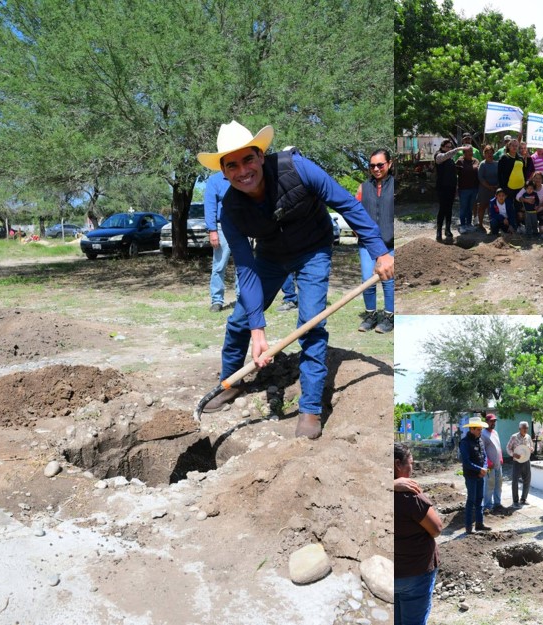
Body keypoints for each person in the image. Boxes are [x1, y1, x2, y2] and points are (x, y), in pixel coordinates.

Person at [195, 121, 394, 438]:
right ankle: (230, 381)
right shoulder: (231, 209)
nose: (242, 170)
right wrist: (257, 327)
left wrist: (381, 251)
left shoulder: (297, 168)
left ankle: (310, 409)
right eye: (232, 165)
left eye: (248, 159)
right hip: (270, 257)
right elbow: (245, 267)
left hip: (314, 250)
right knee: (239, 320)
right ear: (223, 171)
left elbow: (346, 204)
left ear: (260, 156)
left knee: (312, 323)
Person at [394, 443, 443, 625]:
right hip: (416, 572)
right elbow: (437, 529)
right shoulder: (409, 497)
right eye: (411, 463)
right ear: (398, 464)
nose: (412, 468)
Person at [355, 149, 394, 334]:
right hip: (367, 244)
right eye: (372, 166)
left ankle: (389, 317)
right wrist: (357, 231)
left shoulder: (395, 185)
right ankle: (370, 316)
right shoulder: (363, 187)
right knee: (367, 280)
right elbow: (354, 212)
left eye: (380, 165)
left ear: (389, 164)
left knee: (388, 280)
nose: (376, 169)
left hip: (389, 243)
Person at [204, 171, 239, 313]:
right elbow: (210, 206)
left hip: (242, 226)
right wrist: (212, 230)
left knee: (243, 265)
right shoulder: (215, 180)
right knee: (219, 266)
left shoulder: (239, 176)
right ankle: (217, 300)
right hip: (222, 227)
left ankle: (242, 298)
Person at [459, 416, 490, 534]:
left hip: (480, 475)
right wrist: (480, 469)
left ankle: (479, 523)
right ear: (471, 429)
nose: (480, 431)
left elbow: (485, 456)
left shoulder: (480, 440)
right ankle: (468, 527)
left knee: (479, 500)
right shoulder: (465, 443)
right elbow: (466, 462)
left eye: (481, 429)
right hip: (471, 476)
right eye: (478, 429)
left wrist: (485, 468)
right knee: (471, 501)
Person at [434, 139, 458, 243]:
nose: (449, 149)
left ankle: (447, 229)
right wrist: (457, 149)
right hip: (442, 187)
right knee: (442, 209)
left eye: (450, 147)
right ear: (442, 147)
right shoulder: (438, 155)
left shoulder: (451, 159)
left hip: (451, 187)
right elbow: (443, 158)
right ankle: (438, 231)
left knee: (449, 209)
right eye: (447, 147)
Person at [497, 139, 526, 225]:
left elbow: (523, 172)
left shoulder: (520, 158)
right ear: (508, 146)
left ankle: (518, 224)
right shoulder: (504, 158)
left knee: (519, 207)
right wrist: (503, 187)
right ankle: (509, 225)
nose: (514, 147)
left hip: (520, 188)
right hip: (508, 188)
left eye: (516, 145)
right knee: (508, 206)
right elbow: (499, 174)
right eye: (512, 145)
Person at [507, 421, 534, 507]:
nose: (525, 429)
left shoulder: (528, 437)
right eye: (524, 427)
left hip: (526, 461)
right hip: (517, 462)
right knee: (515, 481)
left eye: (527, 428)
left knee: (527, 480)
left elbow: (532, 447)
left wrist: (531, 449)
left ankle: (523, 499)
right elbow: (508, 448)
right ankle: (515, 501)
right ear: (519, 428)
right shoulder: (514, 437)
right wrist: (513, 454)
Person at [481, 414, 503, 513]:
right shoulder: (483, 434)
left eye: (494, 421)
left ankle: (497, 503)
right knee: (489, 485)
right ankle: (487, 505)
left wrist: (501, 457)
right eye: (491, 421)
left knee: (499, 484)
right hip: (490, 465)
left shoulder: (495, 433)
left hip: (498, 464)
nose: (493, 423)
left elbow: (498, 446)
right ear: (486, 422)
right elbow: (482, 450)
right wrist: (488, 462)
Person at [455, 145, 479, 231]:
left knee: (470, 207)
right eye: (468, 151)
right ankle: (462, 225)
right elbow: (454, 174)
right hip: (464, 189)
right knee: (463, 207)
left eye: (471, 151)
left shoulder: (476, 161)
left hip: (474, 188)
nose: (470, 153)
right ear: (464, 153)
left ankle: (469, 223)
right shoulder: (460, 161)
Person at [476, 145, 498, 232]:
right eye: (487, 153)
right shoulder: (482, 164)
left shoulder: (497, 164)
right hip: (484, 190)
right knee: (482, 207)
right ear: (484, 154)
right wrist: (489, 187)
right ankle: (480, 225)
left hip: (494, 190)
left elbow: (500, 176)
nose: (490, 155)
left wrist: (497, 186)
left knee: (491, 208)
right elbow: (480, 178)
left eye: (491, 153)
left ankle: (492, 225)